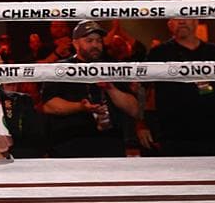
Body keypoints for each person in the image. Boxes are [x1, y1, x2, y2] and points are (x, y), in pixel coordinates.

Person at [41, 20, 141, 158]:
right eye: (89, 40)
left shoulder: (113, 67)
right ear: (75, 43)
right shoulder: (60, 68)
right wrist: (80, 107)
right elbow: (48, 106)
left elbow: (134, 109)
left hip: (110, 145)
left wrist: (111, 89)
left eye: (98, 41)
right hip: (70, 143)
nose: (95, 45)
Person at [142, 18, 215, 156]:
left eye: (186, 17)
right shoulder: (158, 53)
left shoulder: (212, 51)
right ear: (170, 24)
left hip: (212, 132)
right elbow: (146, 90)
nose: (182, 22)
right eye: (177, 18)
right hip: (172, 134)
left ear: (196, 22)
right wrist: (141, 123)